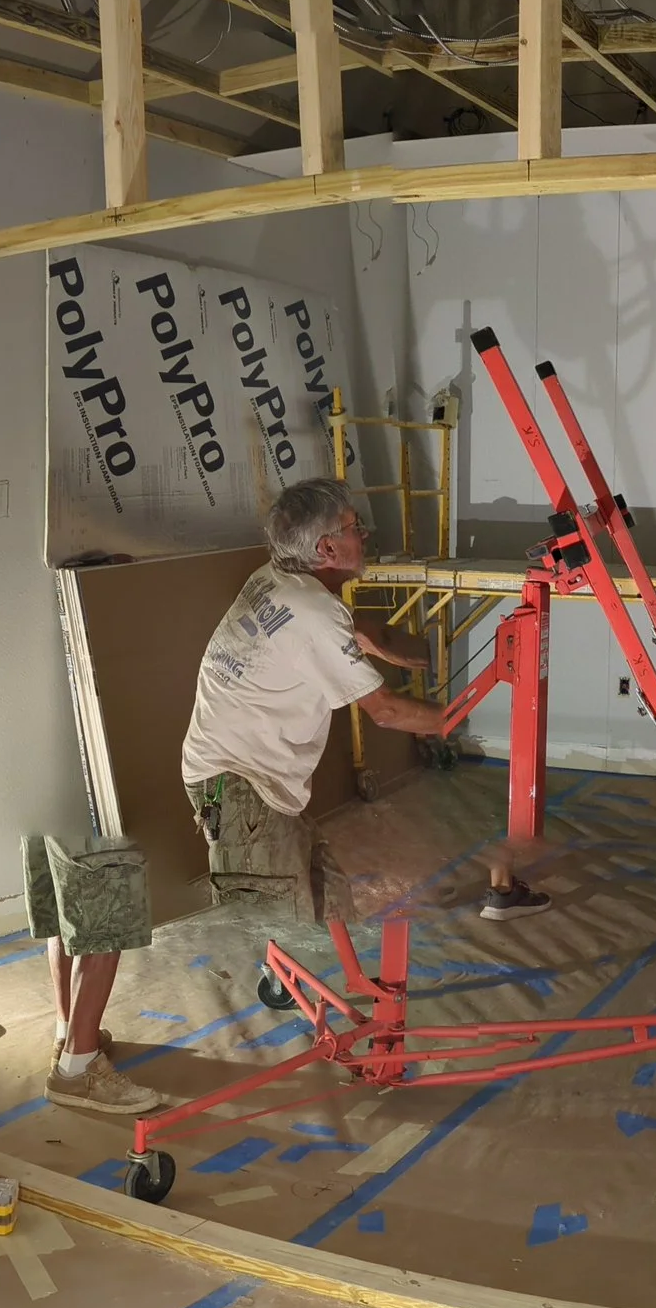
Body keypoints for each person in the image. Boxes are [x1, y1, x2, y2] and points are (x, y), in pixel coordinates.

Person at [43, 477, 543, 1116]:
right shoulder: (310, 611)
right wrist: (469, 713)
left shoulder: (276, 580)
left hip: (244, 776)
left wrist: (377, 641)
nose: (365, 533)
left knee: (323, 892)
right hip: (242, 785)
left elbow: (334, 622)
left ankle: (291, 977)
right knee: (273, 906)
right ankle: (79, 1065)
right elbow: (386, 712)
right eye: (354, 526)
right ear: (327, 549)